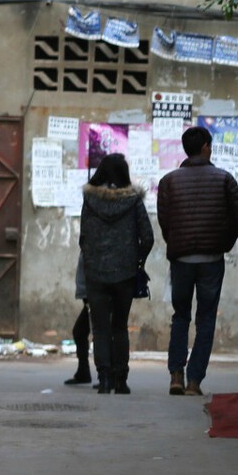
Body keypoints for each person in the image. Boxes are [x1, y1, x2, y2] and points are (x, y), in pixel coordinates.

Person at [156, 126, 238, 396]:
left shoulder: (169, 181)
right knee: (205, 319)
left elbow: (164, 219)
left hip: (181, 260)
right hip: (212, 260)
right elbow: (237, 214)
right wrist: (224, 244)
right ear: (206, 146)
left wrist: (176, 242)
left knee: (180, 316)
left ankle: (175, 376)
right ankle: (194, 382)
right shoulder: (224, 179)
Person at [79, 153, 154, 395]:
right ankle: (121, 380)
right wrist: (137, 260)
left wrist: (93, 259)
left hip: (96, 274)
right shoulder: (133, 201)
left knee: (100, 328)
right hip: (125, 273)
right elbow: (148, 237)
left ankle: (104, 380)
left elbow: (83, 237)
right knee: (119, 327)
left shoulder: (90, 201)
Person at [64, 254, 93, 387]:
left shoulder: (95, 238)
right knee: (80, 331)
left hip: (95, 294)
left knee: (100, 333)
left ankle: (108, 376)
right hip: (91, 295)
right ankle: (84, 371)